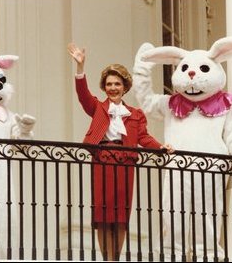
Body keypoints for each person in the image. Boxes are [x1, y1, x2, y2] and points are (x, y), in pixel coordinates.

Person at [68, 43, 174, 261]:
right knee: (102, 214)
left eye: (117, 84)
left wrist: (161, 147)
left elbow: (143, 137)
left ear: (124, 86)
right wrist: (80, 68)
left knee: (120, 215)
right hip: (102, 160)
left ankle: (115, 258)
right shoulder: (98, 107)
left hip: (126, 162)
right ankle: (106, 258)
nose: (112, 88)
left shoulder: (135, 114)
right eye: (108, 84)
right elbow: (82, 95)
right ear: (104, 87)